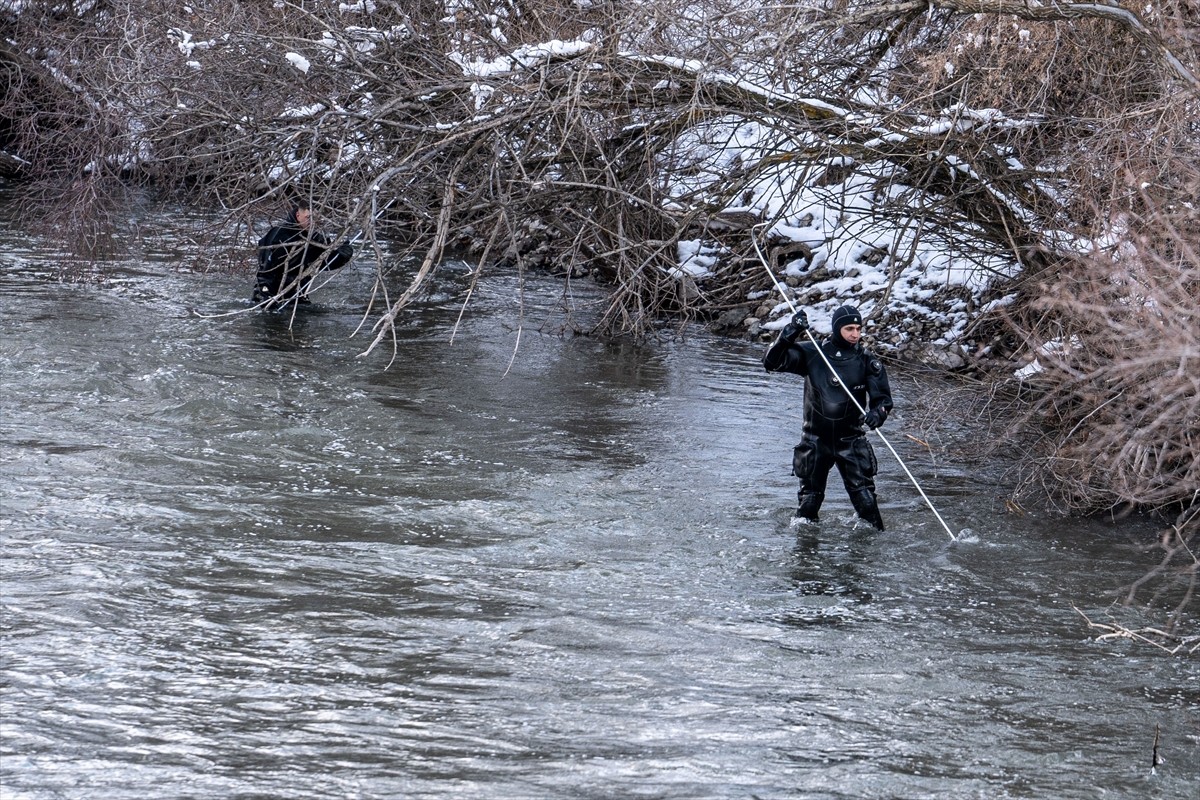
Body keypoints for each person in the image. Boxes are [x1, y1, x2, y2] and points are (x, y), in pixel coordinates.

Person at [763, 303, 893, 530]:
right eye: (849, 329)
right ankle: (806, 557)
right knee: (808, 507)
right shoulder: (813, 353)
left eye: (858, 329)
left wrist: (877, 415)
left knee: (867, 507)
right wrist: (789, 333)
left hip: (850, 441)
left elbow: (883, 400)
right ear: (837, 329)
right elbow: (772, 362)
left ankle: (871, 557)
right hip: (815, 441)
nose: (855, 334)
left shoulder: (866, 360)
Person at [253, 203, 353, 309]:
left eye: (314, 218)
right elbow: (265, 271)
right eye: (308, 217)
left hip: (297, 297)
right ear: (298, 215)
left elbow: (323, 263)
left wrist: (342, 255)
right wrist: (267, 297)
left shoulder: (314, 238)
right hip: (270, 296)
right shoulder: (279, 235)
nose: (312, 222)